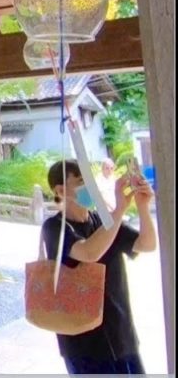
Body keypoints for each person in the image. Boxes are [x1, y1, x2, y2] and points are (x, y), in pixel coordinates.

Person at [42, 159, 157, 375]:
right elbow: (89, 253)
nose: (90, 187)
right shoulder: (54, 227)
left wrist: (142, 206)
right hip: (84, 344)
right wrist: (120, 209)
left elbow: (147, 244)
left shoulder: (104, 221)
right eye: (81, 180)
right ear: (60, 189)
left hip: (121, 333)